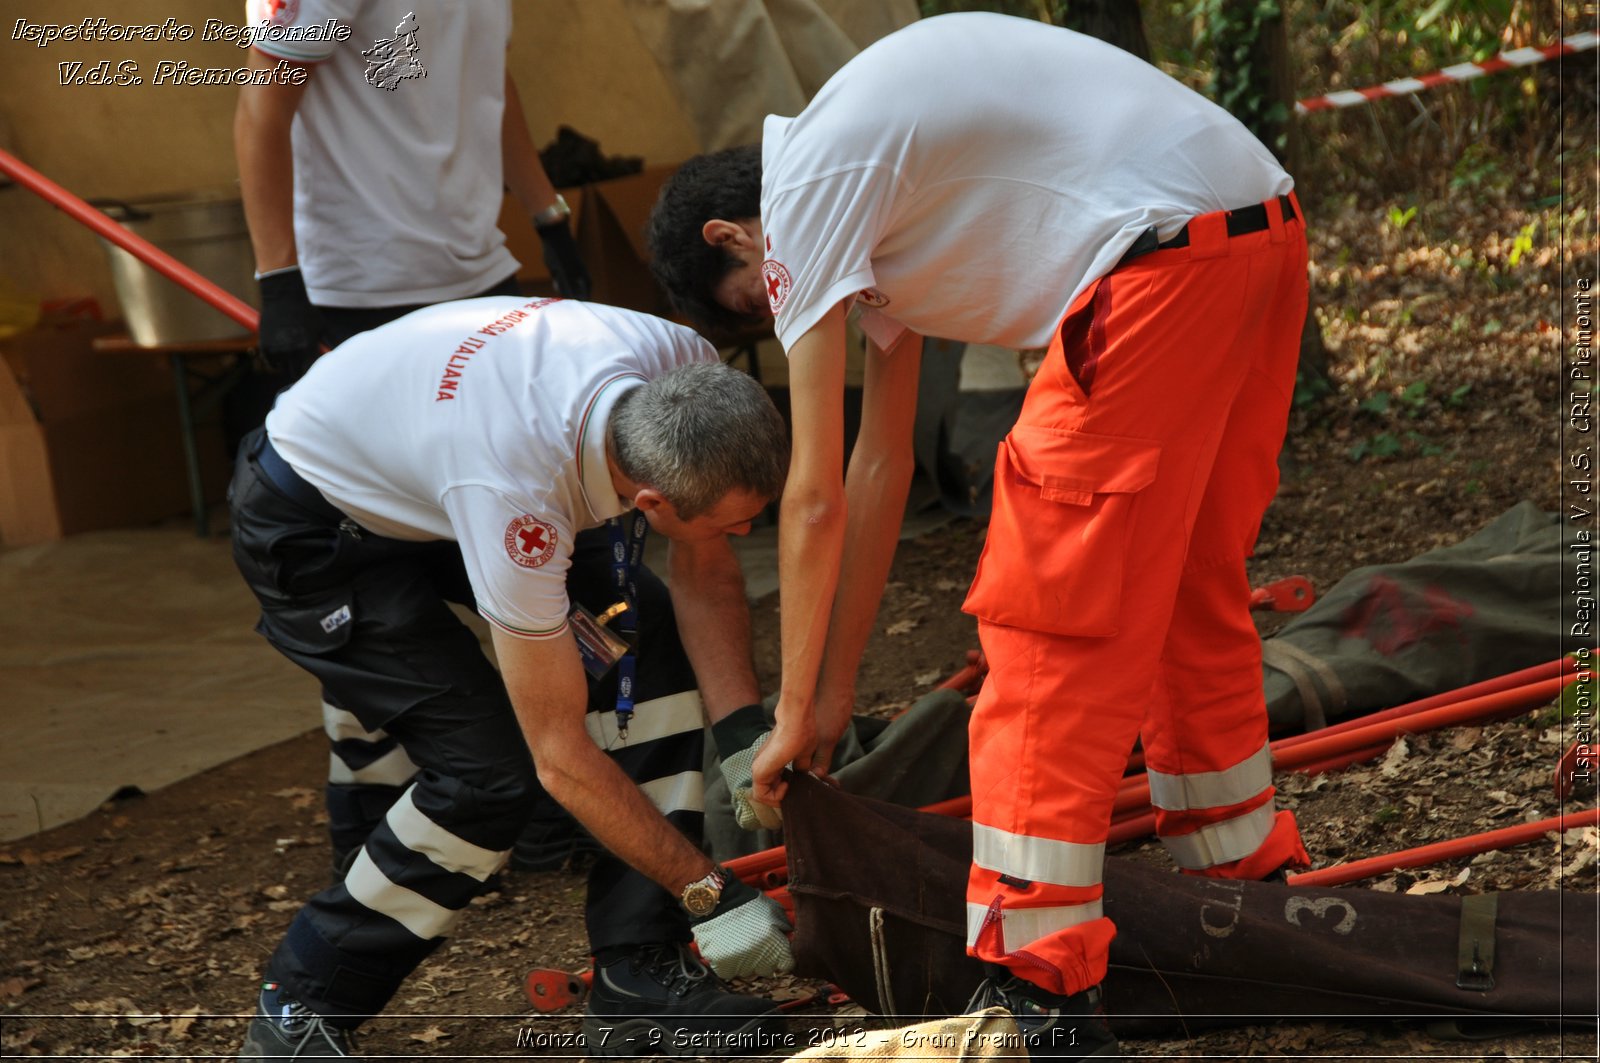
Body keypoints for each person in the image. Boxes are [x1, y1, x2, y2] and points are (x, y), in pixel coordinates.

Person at [646, 12, 1313, 1059]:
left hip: (1154, 265)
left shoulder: (812, 181)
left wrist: (780, 714)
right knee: (1182, 580)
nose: (788, 315)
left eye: (761, 303)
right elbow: (883, 466)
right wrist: (823, 699)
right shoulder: (878, 170)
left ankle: (1038, 985)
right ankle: (1247, 877)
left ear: (732, 237)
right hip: (1256, 231)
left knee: (1049, 624)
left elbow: (814, 490)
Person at [229, 294, 794, 1060]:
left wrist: (740, 732)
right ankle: (299, 1006)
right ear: (650, 500)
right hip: (317, 521)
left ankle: (639, 973)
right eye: (734, 520)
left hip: (433, 466)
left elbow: (704, 560)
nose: (747, 533)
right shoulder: (517, 500)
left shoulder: (681, 367)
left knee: (640, 638)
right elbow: (558, 754)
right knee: (488, 775)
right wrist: (708, 891)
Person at [233, 0, 591, 870]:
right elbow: (263, 97)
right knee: (376, 557)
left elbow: (484, 75)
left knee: (526, 538)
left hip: (474, 267)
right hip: (356, 286)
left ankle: (553, 792)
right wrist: (278, 277)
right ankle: (371, 804)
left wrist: (545, 213)